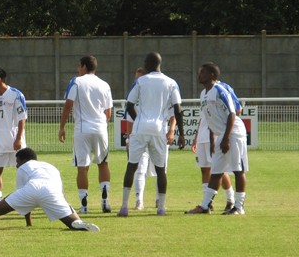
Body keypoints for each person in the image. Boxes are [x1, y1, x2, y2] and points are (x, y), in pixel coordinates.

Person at [0, 148, 100, 232]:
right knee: (72, 223)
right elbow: (59, 193)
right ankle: (79, 223)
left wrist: (28, 223)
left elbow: (24, 197)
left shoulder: (24, 168)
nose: (16, 165)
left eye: (17, 161)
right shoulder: (51, 167)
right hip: (52, 192)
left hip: (33, 188)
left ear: (23, 160)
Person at [120, 52, 185, 216]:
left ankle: (124, 208)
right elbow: (178, 109)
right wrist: (181, 134)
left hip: (140, 129)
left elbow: (129, 105)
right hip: (159, 129)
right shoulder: (171, 83)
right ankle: (161, 208)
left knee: (132, 167)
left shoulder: (140, 81)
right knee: (160, 169)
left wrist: (138, 120)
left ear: (148, 64)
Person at [186, 62, 248, 215]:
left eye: (203, 72)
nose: (199, 75)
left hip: (234, 133)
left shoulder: (220, 90)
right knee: (216, 171)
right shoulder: (203, 94)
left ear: (212, 75)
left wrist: (226, 138)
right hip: (221, 135)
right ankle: (205, 206)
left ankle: (239, 207)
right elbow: (210, 119)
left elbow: (232, 114)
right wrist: (214, 139)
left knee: (238, 169)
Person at [58, 55, 113, 214]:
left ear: (83, 66)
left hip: (82, 128)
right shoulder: (104, 85)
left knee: (82, 167)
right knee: (103, 163)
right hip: (100, 128)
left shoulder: (76, 82)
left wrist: (62, 127)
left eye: (78, 66)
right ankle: (105, 201)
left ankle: (84, 206)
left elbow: (68, 104)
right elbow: (108, 112)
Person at [0, 67, 28, 204]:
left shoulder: (16, 94)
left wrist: (18, 138)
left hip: (15, 141)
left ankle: (25, 198)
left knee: (23, 170)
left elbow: (22, 118)